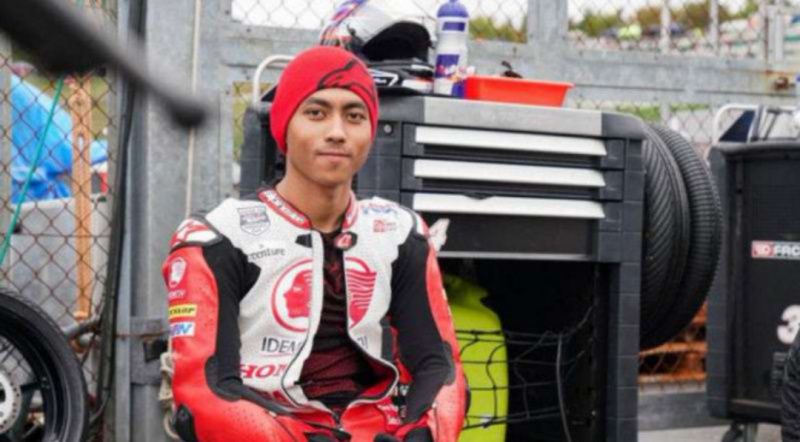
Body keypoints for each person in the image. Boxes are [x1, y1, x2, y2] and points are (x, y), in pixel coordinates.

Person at [161, 46, 466, 442]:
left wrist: (423, 433)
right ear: (285, 126)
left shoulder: (400, 232)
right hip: (268, 431)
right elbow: (204, 392)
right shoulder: (216, 237)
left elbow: (440, 368)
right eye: (316, 113)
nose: (337, 131)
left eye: (354, 116)